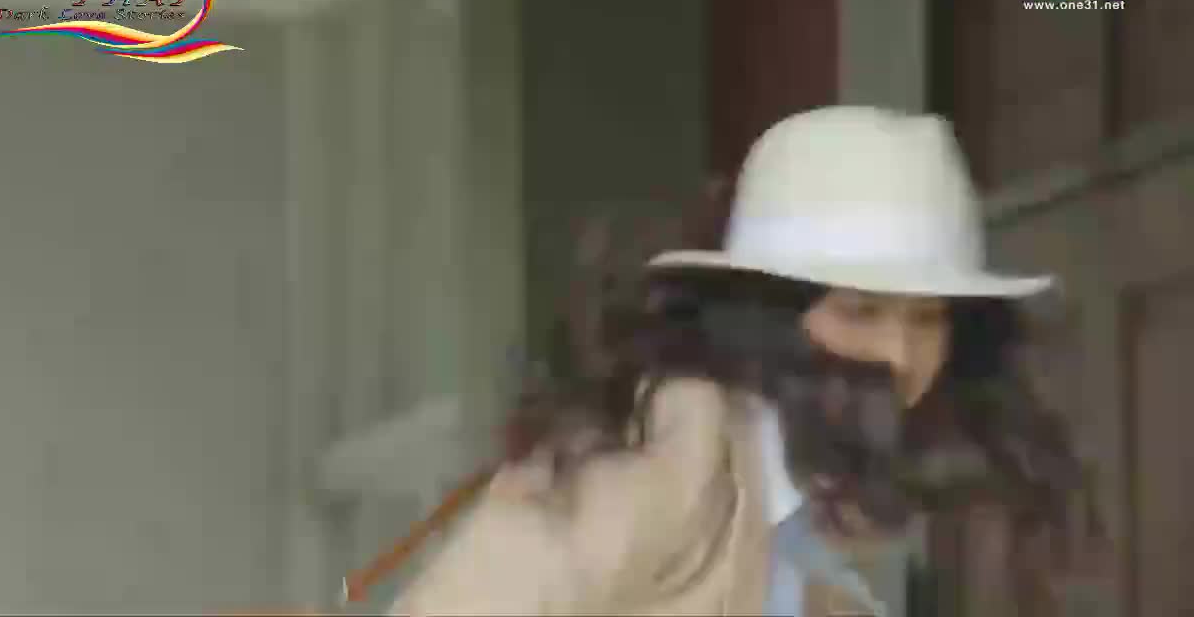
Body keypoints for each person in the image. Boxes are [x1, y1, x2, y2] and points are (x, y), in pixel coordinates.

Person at [377, 106, 1102, 616]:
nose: (900, 355)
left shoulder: (821, 531)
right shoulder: (664, 461)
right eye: (860, 312)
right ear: (767, 316)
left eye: (927, 319)